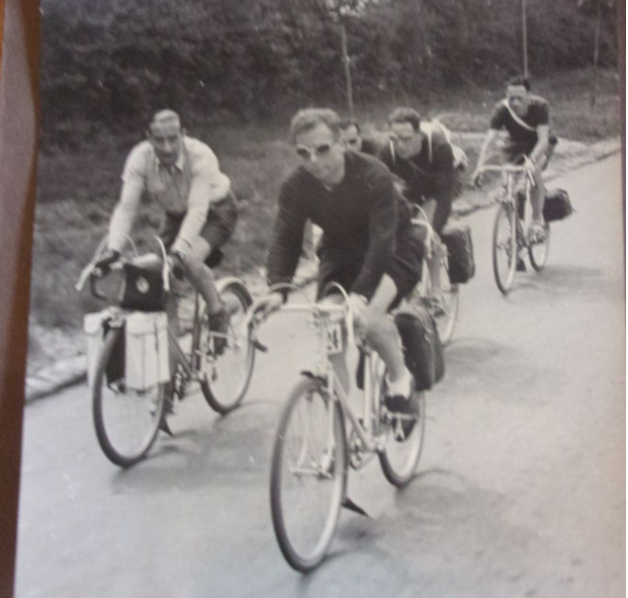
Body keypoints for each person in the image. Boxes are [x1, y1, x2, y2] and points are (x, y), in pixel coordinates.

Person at [263, 108, 424, 436]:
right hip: (340, 252)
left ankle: (400, 379)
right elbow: (286, 238)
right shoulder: (296, 186)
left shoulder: (373, 173)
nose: (313, 160)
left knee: (368, 318)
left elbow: (383, 241)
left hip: (395, 248)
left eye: (322, 149)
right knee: (330, 325)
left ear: (341, 144)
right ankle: (344, 421)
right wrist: (277, 288)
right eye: (303, 152)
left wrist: (361, 295)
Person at [97, 108, 238, 342]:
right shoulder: (140, 157)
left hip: (216, 210)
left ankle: (217, 310)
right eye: (159, 140)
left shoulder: (201, 155)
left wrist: (178, 252)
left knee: (189, 260)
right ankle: (169, 352)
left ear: (183, 134)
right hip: (176, 215)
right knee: (153, 272)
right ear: (148, 137)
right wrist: (114, 249)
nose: (167, 147)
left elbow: (197, 210)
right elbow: (127, 207)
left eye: (173, 138)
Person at [472, 77, 557, 244]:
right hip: (515, 145)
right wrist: (479, 167)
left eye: (520, 98)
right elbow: (489, 141)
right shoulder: (502, 109)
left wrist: (531, 161)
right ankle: (514, 230)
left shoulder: (540, 107)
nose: (515, 102)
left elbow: (543, 140)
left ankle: (537, 220)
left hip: (540, 144)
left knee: (532, 173)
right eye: (511, 98)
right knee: (508, 183)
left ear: (529, 96)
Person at [379, 107, 456, 233]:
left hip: (440, 185)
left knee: (425, 230)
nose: (400, 145)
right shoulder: (388, 151)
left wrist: (432, 232)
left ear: (420, 135)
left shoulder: (440, 149)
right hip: (412, 185)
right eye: (394, 139)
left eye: (406, 139)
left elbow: (444, 197)